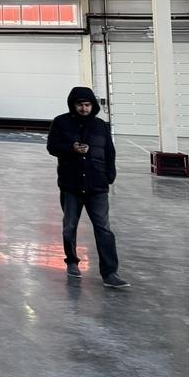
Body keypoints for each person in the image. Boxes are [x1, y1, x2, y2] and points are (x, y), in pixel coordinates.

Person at [46, 86, 131, 289]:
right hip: (71, 185)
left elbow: (110, 152)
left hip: (97, 185)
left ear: (92, 106)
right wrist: (71, 148)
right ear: (73, 105)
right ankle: (72, 262)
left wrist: (109, 176)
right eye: (80, 105)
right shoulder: (61, 122)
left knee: (104, 229)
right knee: (70, 226)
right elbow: (52, 147)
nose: (84, 108)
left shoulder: (101, 126)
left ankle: (110, 273)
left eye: (87, 105)